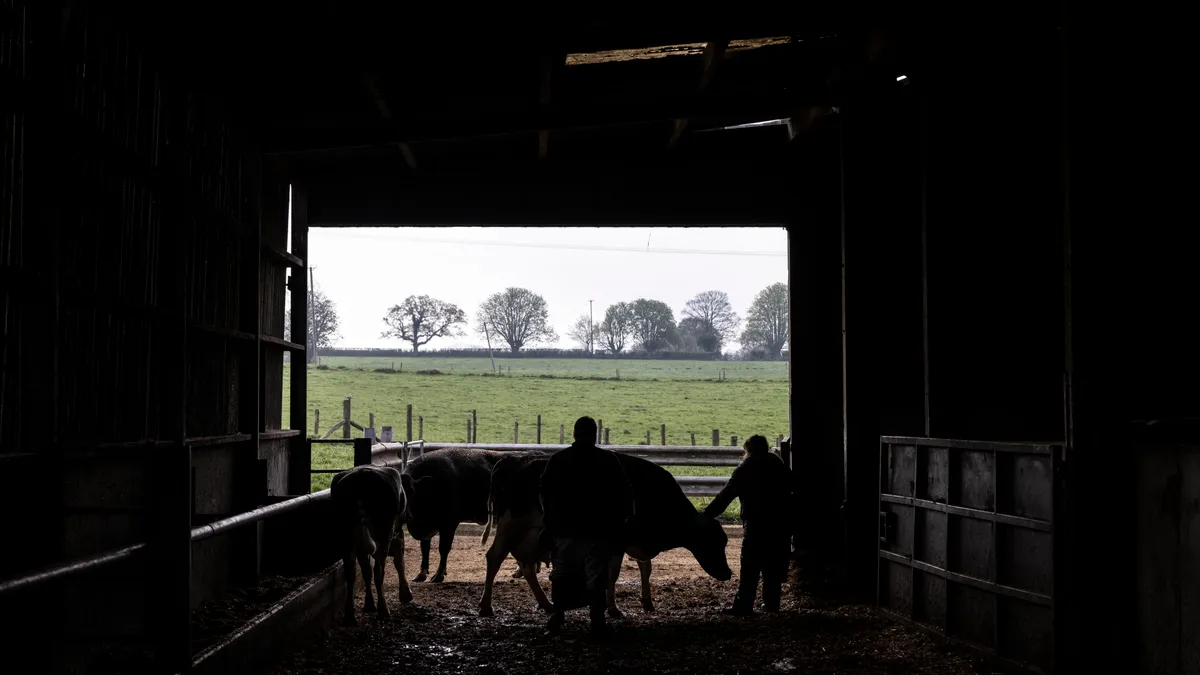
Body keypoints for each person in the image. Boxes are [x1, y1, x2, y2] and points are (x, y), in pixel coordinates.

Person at [538, 416, 634, 635]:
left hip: (564, 531)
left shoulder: (558, 460)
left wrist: (549, 521)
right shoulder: (608, 460)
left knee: (561, 574)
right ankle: (597, 619)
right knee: (596, 575)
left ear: (574, 434)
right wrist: (622, 522)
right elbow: (625, 494)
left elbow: (544, 492)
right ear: (595, 434)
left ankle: (558, 615)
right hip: (597, 532)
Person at [702, 434, 794, 615]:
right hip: (780, 524)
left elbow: (725, 496)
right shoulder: (778, 464)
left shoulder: (745, 468)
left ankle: (744, 605)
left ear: (748, 449)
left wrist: (706, 515)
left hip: (756, 524)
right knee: (773, 565)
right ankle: (772, 605)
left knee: (750, 565)